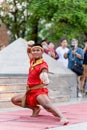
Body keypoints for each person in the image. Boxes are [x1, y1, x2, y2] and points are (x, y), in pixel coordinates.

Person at [11, 43, 69, 125]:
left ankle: (62, 117)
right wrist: (29, 47)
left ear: (42, 52)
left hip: (39, 91)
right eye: (34, 50)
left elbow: (44, 70)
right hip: (30, 91)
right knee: (14, 100)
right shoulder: (32, 61)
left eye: (38, 50)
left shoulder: (43, 63)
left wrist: (44, 76)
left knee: (47, 106)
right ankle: (35, 108)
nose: (35, 52)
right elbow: (28, 52)